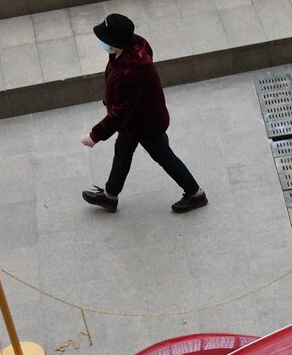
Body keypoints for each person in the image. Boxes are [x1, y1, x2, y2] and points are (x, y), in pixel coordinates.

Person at [80, 13, 207, 213]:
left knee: (164, 157)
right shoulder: (135, 46)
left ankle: (195, 193)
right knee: (122, 153)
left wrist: (95, 135)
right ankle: (110, 195)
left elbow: (119, 113)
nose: (102, 42)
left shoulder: (130, 73)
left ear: (115, 42)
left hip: (145, 125)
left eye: (105, 38)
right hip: (135, 121)